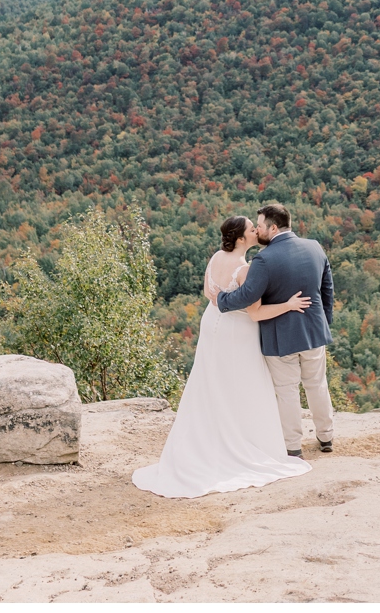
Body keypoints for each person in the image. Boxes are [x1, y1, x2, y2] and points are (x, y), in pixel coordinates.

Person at [131, 215, 313, 498]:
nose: (257, 230)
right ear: (241, 238)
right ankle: (241, 443)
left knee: (211, 383)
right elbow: (255, 313)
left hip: (211, 325)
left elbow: (208, 292)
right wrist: (288, 305)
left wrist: (222, 303)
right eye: (252, 229)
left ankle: (207, 441)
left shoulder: (217, 257)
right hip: (237, 333)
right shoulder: (245, 270)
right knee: (243, 387)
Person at [216, 203, 335, 457]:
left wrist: (221, 301)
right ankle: (326, 437)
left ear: (273, 227)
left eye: (259, 226)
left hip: (281, 338)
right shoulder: (314, 246)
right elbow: (327, 288)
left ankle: (293, 447)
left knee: (287, 391)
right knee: (317, 385)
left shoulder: (264, 259)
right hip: (314, 331)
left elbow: (248, 295)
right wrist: (324, 321)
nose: (257, 231)